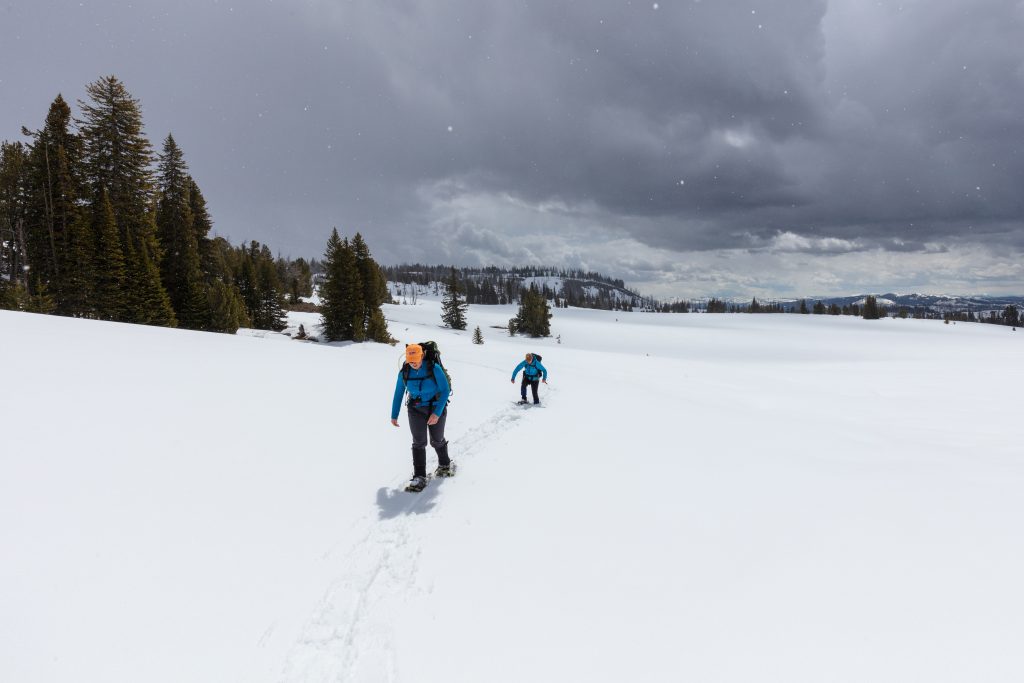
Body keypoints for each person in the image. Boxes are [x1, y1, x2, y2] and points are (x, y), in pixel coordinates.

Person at [391, 343, 454, 491]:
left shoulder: (434, 368)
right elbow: (398, 393)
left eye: (416, 360)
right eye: (410, 360)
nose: (413, 363)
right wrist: (394, 415)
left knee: (436, 440)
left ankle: (444, 464)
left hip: (436, 406)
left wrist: (437, 413)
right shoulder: (404, 372)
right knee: (418, 442)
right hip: (416, 409)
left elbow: (445, 390)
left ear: (422, 356)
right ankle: (419, 477)